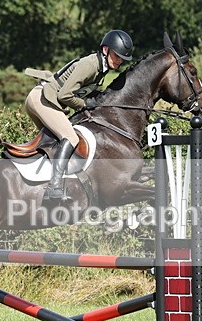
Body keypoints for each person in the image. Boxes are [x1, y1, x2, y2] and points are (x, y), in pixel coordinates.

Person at [24, 29, 134, 201]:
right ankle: (54, 188)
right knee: (71, 137)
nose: (119, 61)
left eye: (123, 58)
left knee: (56, 142)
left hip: (42, 99)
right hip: (42, 99)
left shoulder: (101, 68)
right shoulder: (90, 64)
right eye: (117, 55)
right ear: (105, 50)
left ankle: (33, 186)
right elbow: (64, 96)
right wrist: (85, 104)